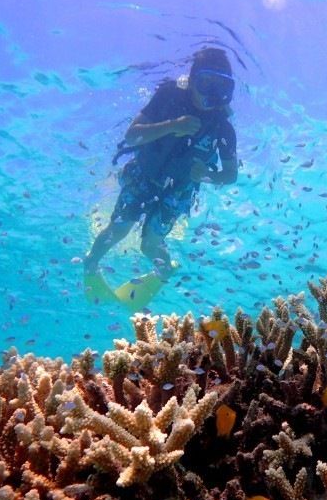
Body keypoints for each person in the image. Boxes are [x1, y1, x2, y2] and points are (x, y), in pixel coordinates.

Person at [84, 47, 238, 306]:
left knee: (150, 245)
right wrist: (172, 125)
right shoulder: (169, 97)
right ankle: (89, 266)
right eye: (204, 83)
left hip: (178, 192)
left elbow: (230, 175)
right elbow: (132, 136)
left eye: (220, 86)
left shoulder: (223, 127)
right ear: (191, 80)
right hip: (143, 176)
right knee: (119, 229)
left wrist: (208, 176)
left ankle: (164, 271)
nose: (211, 94)